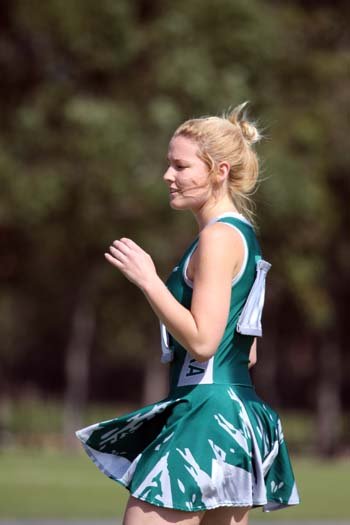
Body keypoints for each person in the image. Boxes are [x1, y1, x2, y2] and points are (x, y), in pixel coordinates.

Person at [76, 102, 300, 525]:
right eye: (169, 164)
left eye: (181, 166)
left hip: (208, 414)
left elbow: (203, 342)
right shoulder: (238, 236)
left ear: (219, 172)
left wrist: (149, 280)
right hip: (230, 410)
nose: (168, 176)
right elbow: (245, 354)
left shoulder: (217, 238)